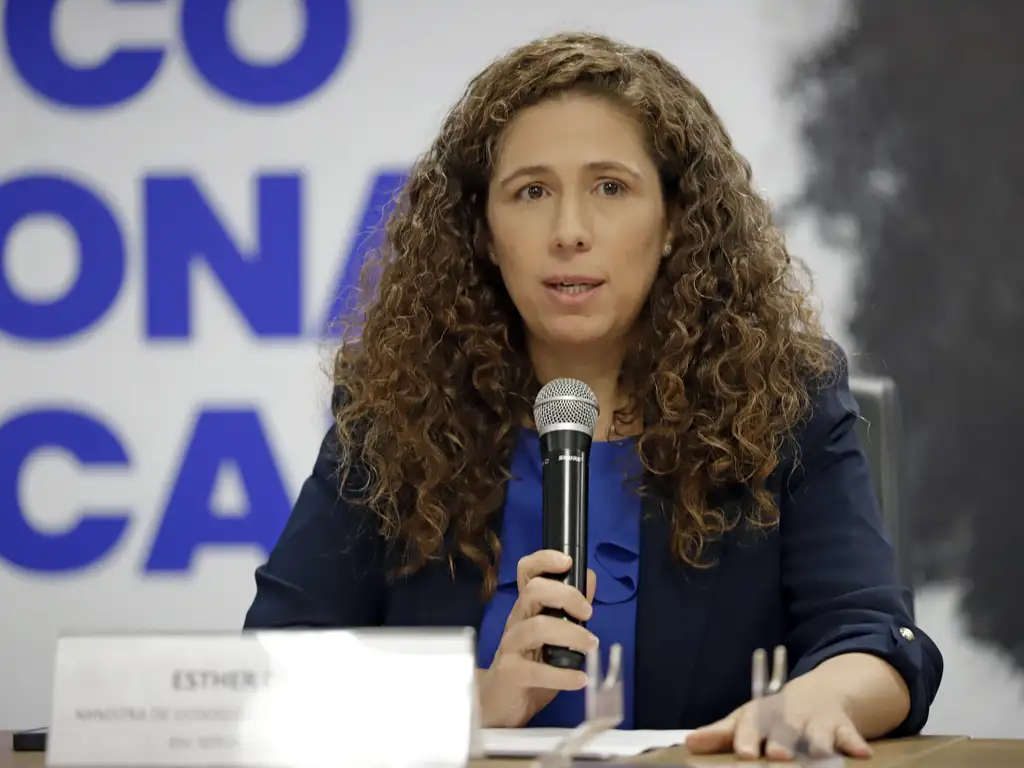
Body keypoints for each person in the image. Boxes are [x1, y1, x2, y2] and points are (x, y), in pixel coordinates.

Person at [244, 32, 943, 760]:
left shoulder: (782, 402)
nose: (569, 232)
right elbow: (273, 671)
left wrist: (815, 697)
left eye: (610, 187)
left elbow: (878, 643)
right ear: (482, 231)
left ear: (675, 222)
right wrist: (472, 704)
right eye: (532, 192)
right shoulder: (392, 415)